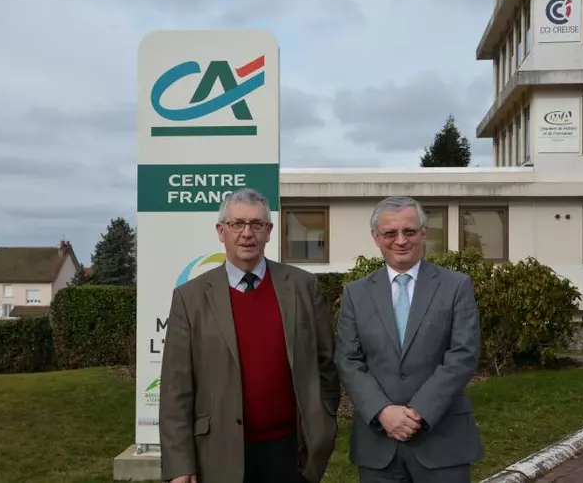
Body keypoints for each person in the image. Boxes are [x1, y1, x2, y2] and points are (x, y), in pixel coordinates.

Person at [159, 188, 340, 483]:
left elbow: (326, 365)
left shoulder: (303, 286)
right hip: (218, 454)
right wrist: (180, 464)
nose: (247, 233)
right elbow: (175, 390)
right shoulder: (189, 298)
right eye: (237, 224)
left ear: (268, 232)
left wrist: (324, 423)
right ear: (221, 231)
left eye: (257, 224)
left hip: (290, 453)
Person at [334, 196, 484, 483]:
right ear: (376, 238)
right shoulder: (356, 294)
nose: (400, 240)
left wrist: (419, 412)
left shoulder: (455, 286)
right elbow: (348, 360)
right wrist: (382, 412)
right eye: (390, 233)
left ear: (423, 234)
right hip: (378, 447)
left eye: (409, 231)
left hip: (442, 442)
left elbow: (462, 355)